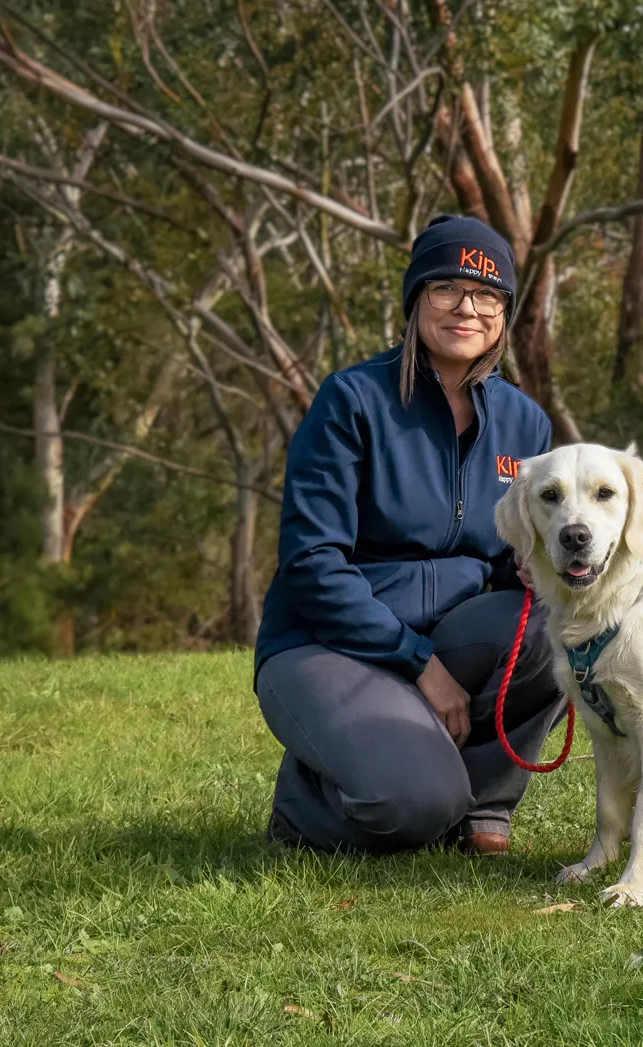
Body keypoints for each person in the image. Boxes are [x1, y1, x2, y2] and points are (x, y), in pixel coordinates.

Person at [252, 215, 565, 856]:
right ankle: (307, 804)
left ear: (505, 313)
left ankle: (482, 808)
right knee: (411, 807)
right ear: (416, 298)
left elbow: (508, 564)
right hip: (327, 644)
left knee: (556, 624)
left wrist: (540, 572)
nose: (466, 308)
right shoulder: (352, 401)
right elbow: (312, 564)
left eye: (487, 295)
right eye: (446, 287)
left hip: (451, 635)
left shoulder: (525, 423)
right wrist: (418, 664)